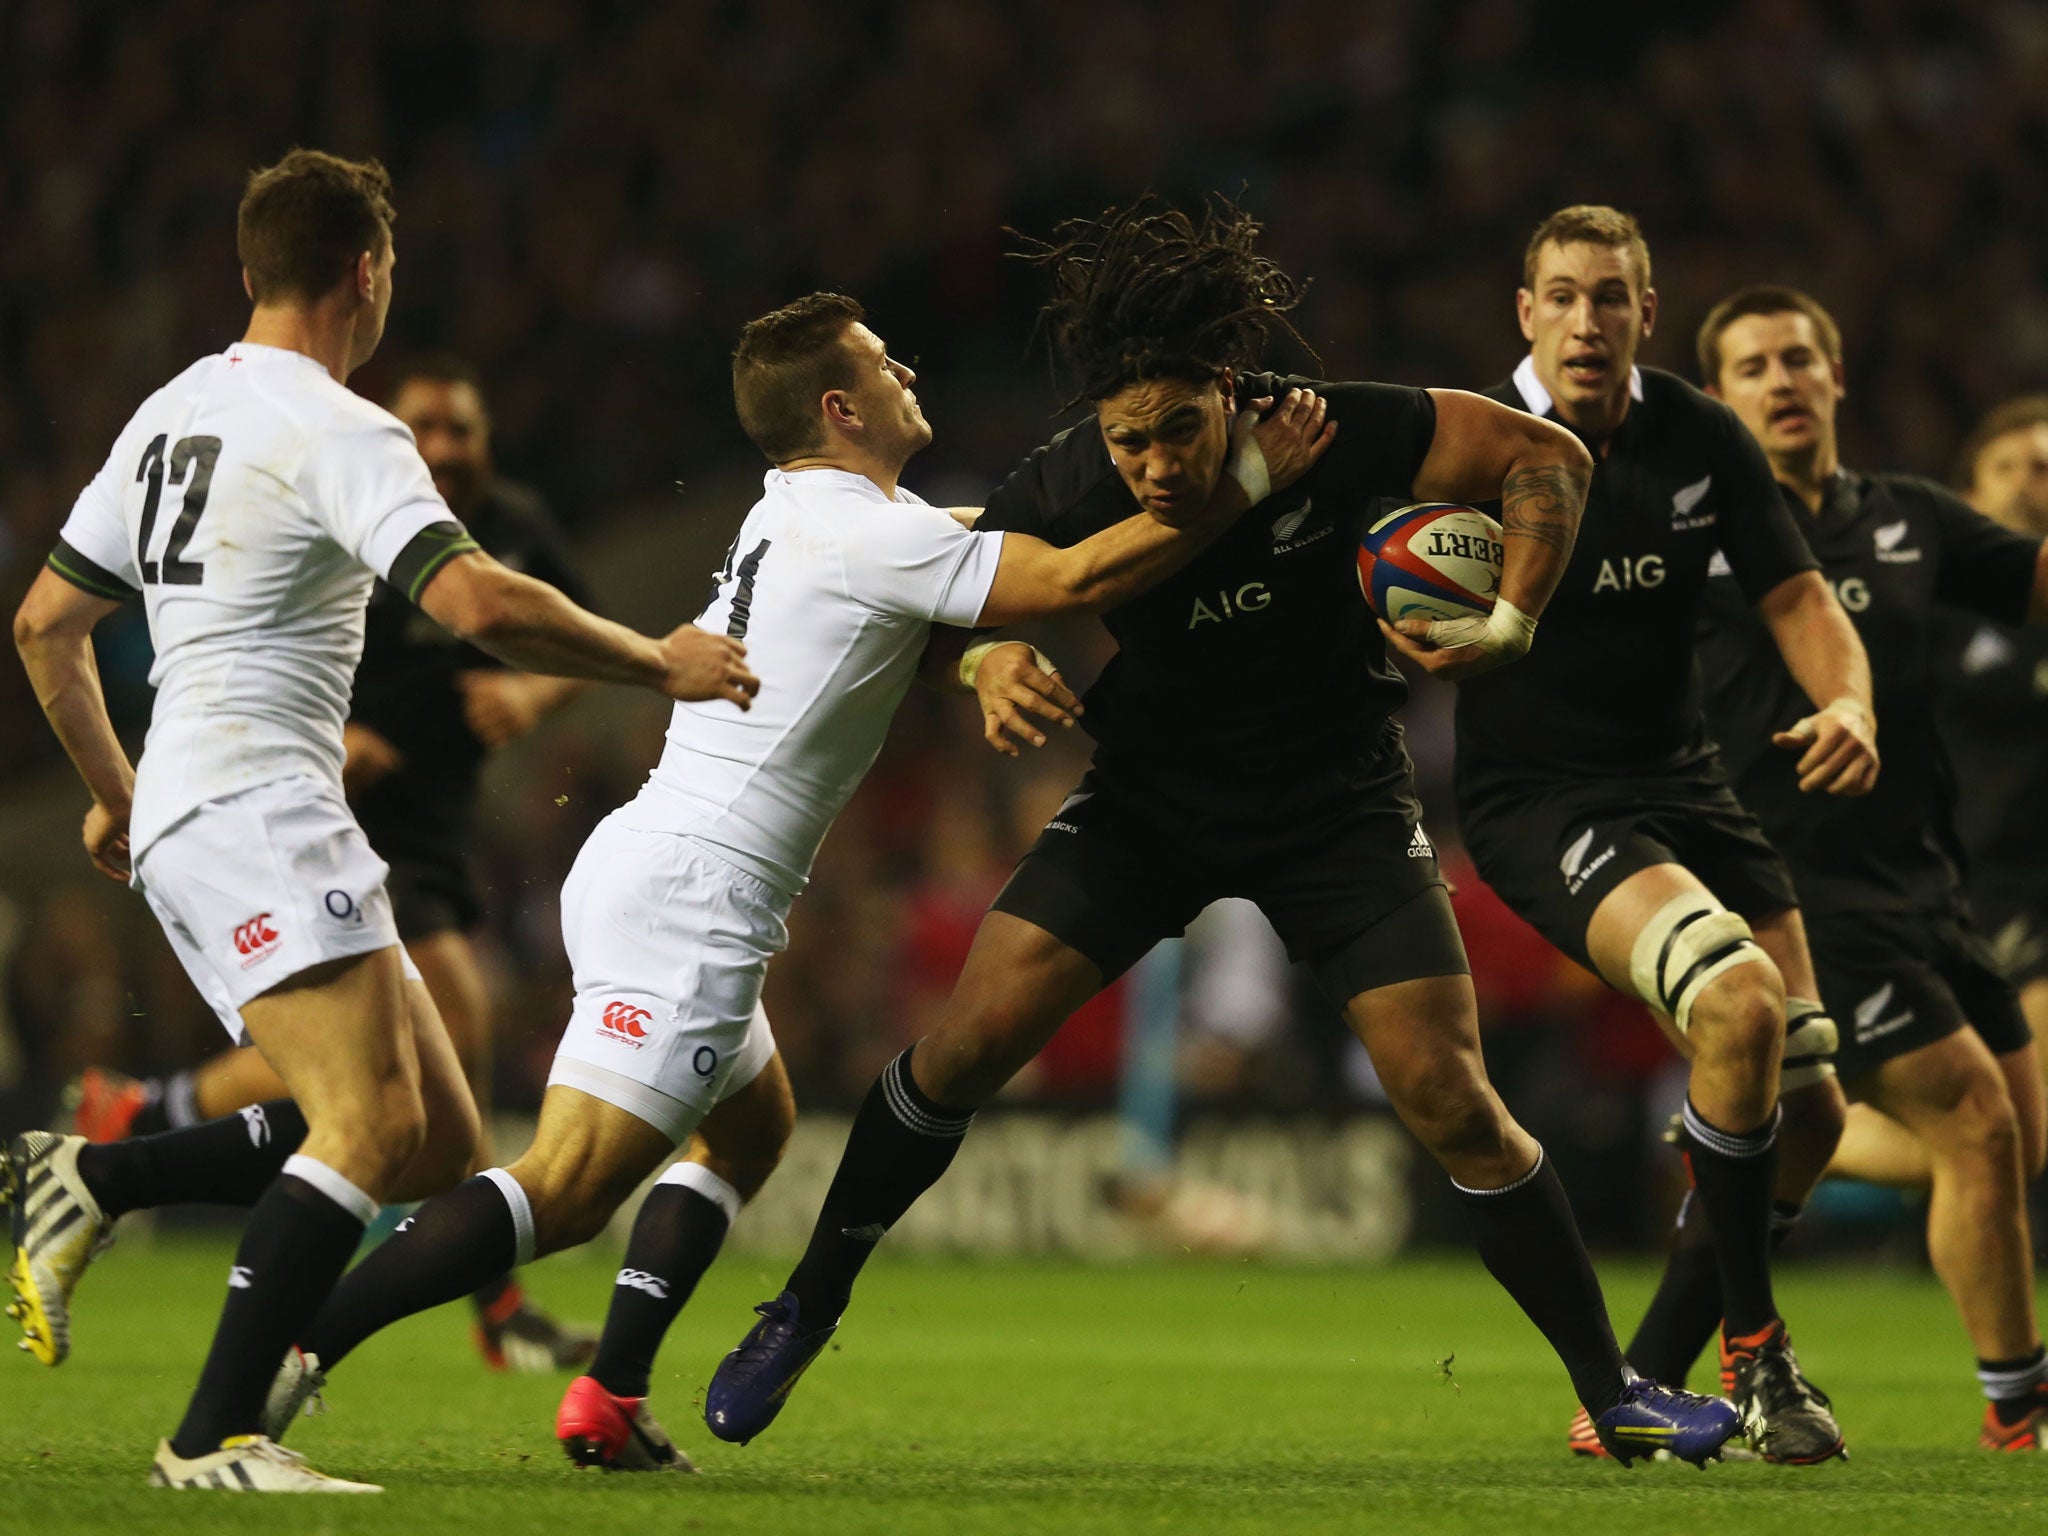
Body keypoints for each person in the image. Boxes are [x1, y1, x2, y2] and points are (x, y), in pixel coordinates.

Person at [706, 197, 1741, 1468]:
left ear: (1230, 392)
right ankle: (804, 1304)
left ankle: (1616, 1386)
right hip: (1151, 801)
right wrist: (980, 668)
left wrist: (1514, 620)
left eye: (1177, 433)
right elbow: (929, 608)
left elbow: (1549, 462)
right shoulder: (1070, 478)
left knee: (1453, 1101)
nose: (1151, 467)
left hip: (1336, 805)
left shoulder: (1336, 421)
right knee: (962, 1048)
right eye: (1130, 442)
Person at [247, 290, 1335, 1474]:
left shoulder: (809, 513)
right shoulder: (868, 534)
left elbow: (943, 563)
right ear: (838, 406)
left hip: (651, 858)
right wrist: (1245, 486)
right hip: (694, 895)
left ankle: (608, 1394)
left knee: (748, 1133)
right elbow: (1070, 582)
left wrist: (983, 644)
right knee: (560, 1192)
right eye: (879, 361)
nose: (904, 367)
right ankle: (290, 1355)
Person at [4, 149, 758, 1493]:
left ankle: (99, 1181)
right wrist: (657, 659)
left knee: (435, 1140)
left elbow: (46, 625)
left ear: (250, 273)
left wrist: (122, 797)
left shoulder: (172, 407)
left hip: (216, 797)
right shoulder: (341, 428)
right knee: (360, 1128)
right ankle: (213, 1437)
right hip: (256, 802)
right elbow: (473, 606)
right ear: (369, 273)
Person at [1436, 207, 1872, 1465]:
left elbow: (1793, 591)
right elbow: (1375, 592)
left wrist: (1845, 699)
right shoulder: (1471, 445)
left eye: (1610, 297)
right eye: (1562, 295)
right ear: (1523, 312)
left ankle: (1633, 1393)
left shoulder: (1694, 433)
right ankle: (1759, 1361)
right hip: (1545, 804)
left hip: (1688, 791)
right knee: (1739, 1008)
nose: (1586, 320)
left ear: (1644, 310)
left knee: (1813, 1114)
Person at [68, 356, 605, 1373]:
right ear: (396, 433)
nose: (443, 449)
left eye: (462, 430)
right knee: (419, 1051)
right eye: (426, 430)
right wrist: (333, 733)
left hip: (434, 821)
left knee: (379, 1084)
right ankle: (469, 1299)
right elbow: (274, 623)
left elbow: (550, 632)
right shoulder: (349, 483)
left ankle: (145, 1124)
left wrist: (531, 699)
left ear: (486, 439)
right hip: (338, 814)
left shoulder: (517, 523)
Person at [1691, 289, 2048, 1449]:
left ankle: (1764, 1150)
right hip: (1798, 888)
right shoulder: (1700, 537)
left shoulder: (1909, 520)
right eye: (1753, 367)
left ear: (1836, 378)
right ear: (1720, 398)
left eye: (1799, 357)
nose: (1782, 379)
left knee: (2011, 1140)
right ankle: (2016, 1412)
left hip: (1924, 884)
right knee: (1975, 1122)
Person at [1934, 396, 2048, 1185]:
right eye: (2006, 468)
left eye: (2043, 469)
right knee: (2004, 1120)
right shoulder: (1938, 611)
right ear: (1971, 494)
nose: (2026, 484)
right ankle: (1799, 1139)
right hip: (1985, 884)